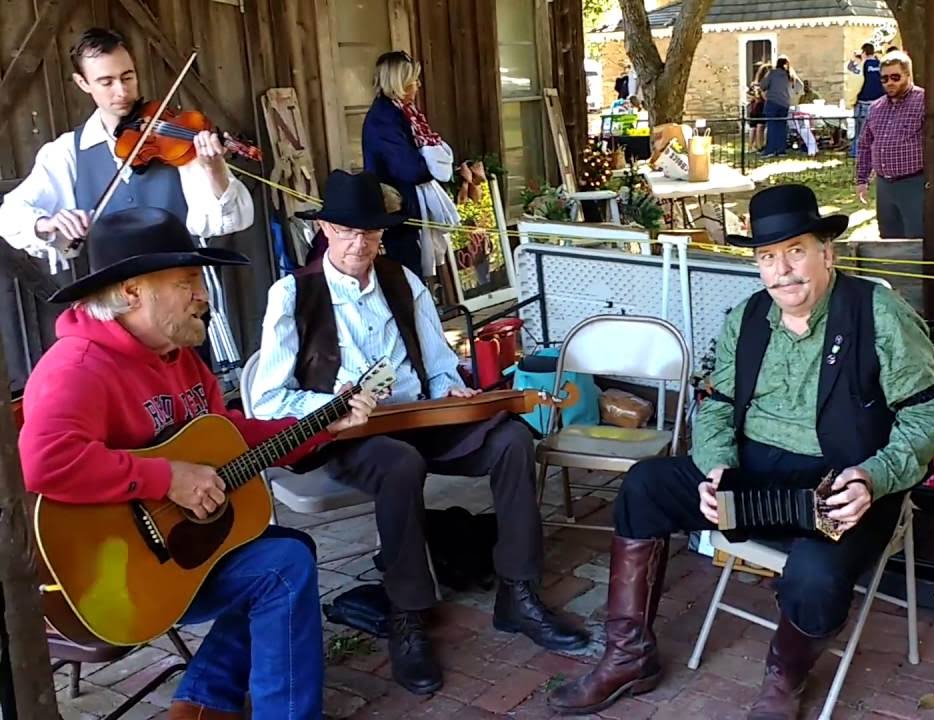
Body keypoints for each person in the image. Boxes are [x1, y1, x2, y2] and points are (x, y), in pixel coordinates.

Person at [548, 184, 934, 719]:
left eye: (795, 251)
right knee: (645, 486)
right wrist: (716, 467)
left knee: (816, 574)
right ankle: (628, 656)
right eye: (767, 257)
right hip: (752, 475)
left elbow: (926, 416)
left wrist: (872, 477)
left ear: (826, 251)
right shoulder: (747, 318)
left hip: (843, 486)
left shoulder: (877, 313)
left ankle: (785, 681)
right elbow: (713, 402)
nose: (783, 270)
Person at [18, 207, 375, 720]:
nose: (204, 296)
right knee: (282, 568)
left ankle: (204, 698)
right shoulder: (76, 368)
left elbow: (226, 438)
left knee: (284, 548)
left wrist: (322, 424)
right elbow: (45, 463)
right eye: (188, 282)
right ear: (134, 291)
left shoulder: (179, 357)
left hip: (178, 554)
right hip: (114, 581)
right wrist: (167, 477)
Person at [250, 170, 588, 696]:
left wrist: (450, 389)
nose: (357, 242)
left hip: (420, 417)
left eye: (368, 232)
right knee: (398, 464)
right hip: (346, 435)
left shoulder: (401, 281)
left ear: (382, 234)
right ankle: (407, 615)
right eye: (345, 231)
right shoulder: (293, 294)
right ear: (325, 231)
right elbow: (266, 400)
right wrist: (334, 408)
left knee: (512, 440)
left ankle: (518, 594)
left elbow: (436, 365)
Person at [0, 27, 252, 272]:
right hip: (113, 296)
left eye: (127, 77)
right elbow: (9, 216)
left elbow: (233, 219)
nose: (121, 91)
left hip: (182, 287)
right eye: (106, 82)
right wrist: (45, 223)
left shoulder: (176, 142)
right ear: (83, 82)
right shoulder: (67, 151)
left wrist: (214, 169)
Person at [362, 50, 456, 280]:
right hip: (397, 210)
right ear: (400, 83)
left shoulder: (404, 112)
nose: (418, 86)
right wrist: (432, 163)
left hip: (410, 206)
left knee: (416, 272)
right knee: (407, 274)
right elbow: (410, 169)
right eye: (414, 80)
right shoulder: (383, 117)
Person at [856, 51, 934, 239]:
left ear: (908, 75)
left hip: (915, 183)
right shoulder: (876, 108)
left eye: (895, 77)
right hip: (885, 185)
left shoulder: (926, 101)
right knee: (888, 240)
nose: (889, 82)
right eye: (884, 79)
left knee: (918, 240)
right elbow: (865, 145)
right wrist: (861, 179)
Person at [846, 42, 885, 157]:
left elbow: (854, 86)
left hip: (863, 103)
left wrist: (851, 102)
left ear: (863, 52)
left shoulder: (861, 66)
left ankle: (857, 153)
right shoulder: (882, 65)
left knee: (861, 132)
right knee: (878, 132)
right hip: (880, 104)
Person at [762, 58, 793, 158]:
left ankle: (770, 150)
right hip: (785, 103)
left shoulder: (772, 73)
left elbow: (763, 85)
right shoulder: (788, 75)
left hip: (773, 102)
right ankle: (781, 150)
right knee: (782, 127)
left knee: (772, 126)